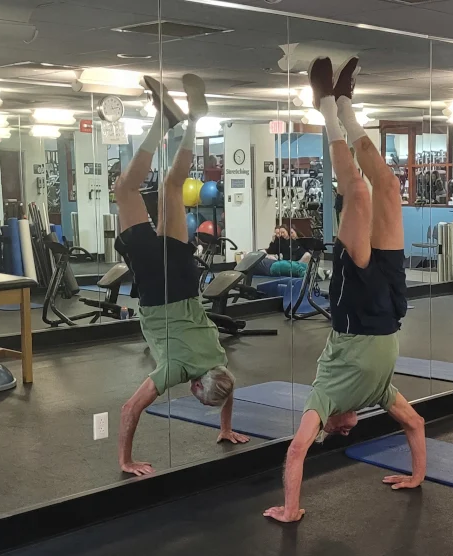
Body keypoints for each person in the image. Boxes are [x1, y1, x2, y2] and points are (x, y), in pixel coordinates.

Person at [263, 56, 426, 523]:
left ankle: (327, 109)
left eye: (338, 434)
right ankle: (346, 104)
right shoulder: (378, 394)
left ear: (330, 425)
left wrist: (291, 509)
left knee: (356, 193)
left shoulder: (326, 398)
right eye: (345, 433)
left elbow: (296, 451)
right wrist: (417, 476)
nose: (346, 431)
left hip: (353, 309)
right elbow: (415, 425)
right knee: (390, 188)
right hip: (393, 305)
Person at [115, 73, 250, 476]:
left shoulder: (219, 360)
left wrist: (227, 428)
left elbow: (229, 390)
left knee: (172, 187)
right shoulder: (176, 371)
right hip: (157, 286)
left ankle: (191, 119)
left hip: (186, 278)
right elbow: (129, 409)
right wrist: (125, 460)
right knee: (126, 190)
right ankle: (164, 120)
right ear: (195, 385)